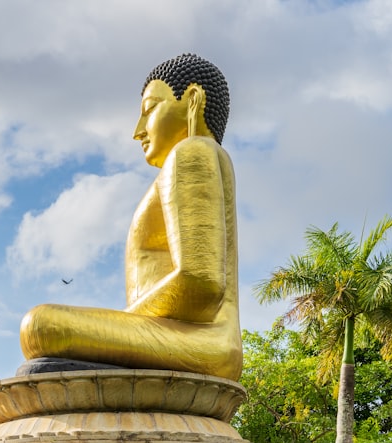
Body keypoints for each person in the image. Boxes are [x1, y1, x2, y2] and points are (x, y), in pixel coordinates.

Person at [19, 54, 242, 381]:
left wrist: (117, 324)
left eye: (150, 110)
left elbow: (201, 284)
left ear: (192, 99)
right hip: (189, 339)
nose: (139, 131)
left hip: (199, 339)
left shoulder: (192, 152)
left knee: (39, 326)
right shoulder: (205, 157)